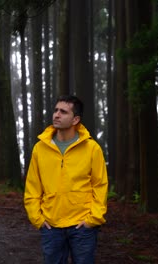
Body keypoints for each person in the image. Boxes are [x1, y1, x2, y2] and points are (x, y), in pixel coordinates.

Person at [24, 95, 108, 264]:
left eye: (63, 112)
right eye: (56, 110)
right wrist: (38, 218)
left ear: (76, 119)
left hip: (82, 227)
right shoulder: (40, 148)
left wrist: (93, 220)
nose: (56, 115)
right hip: (51, 226)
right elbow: (32, 186)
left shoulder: (92, 148)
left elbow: (100, 185)